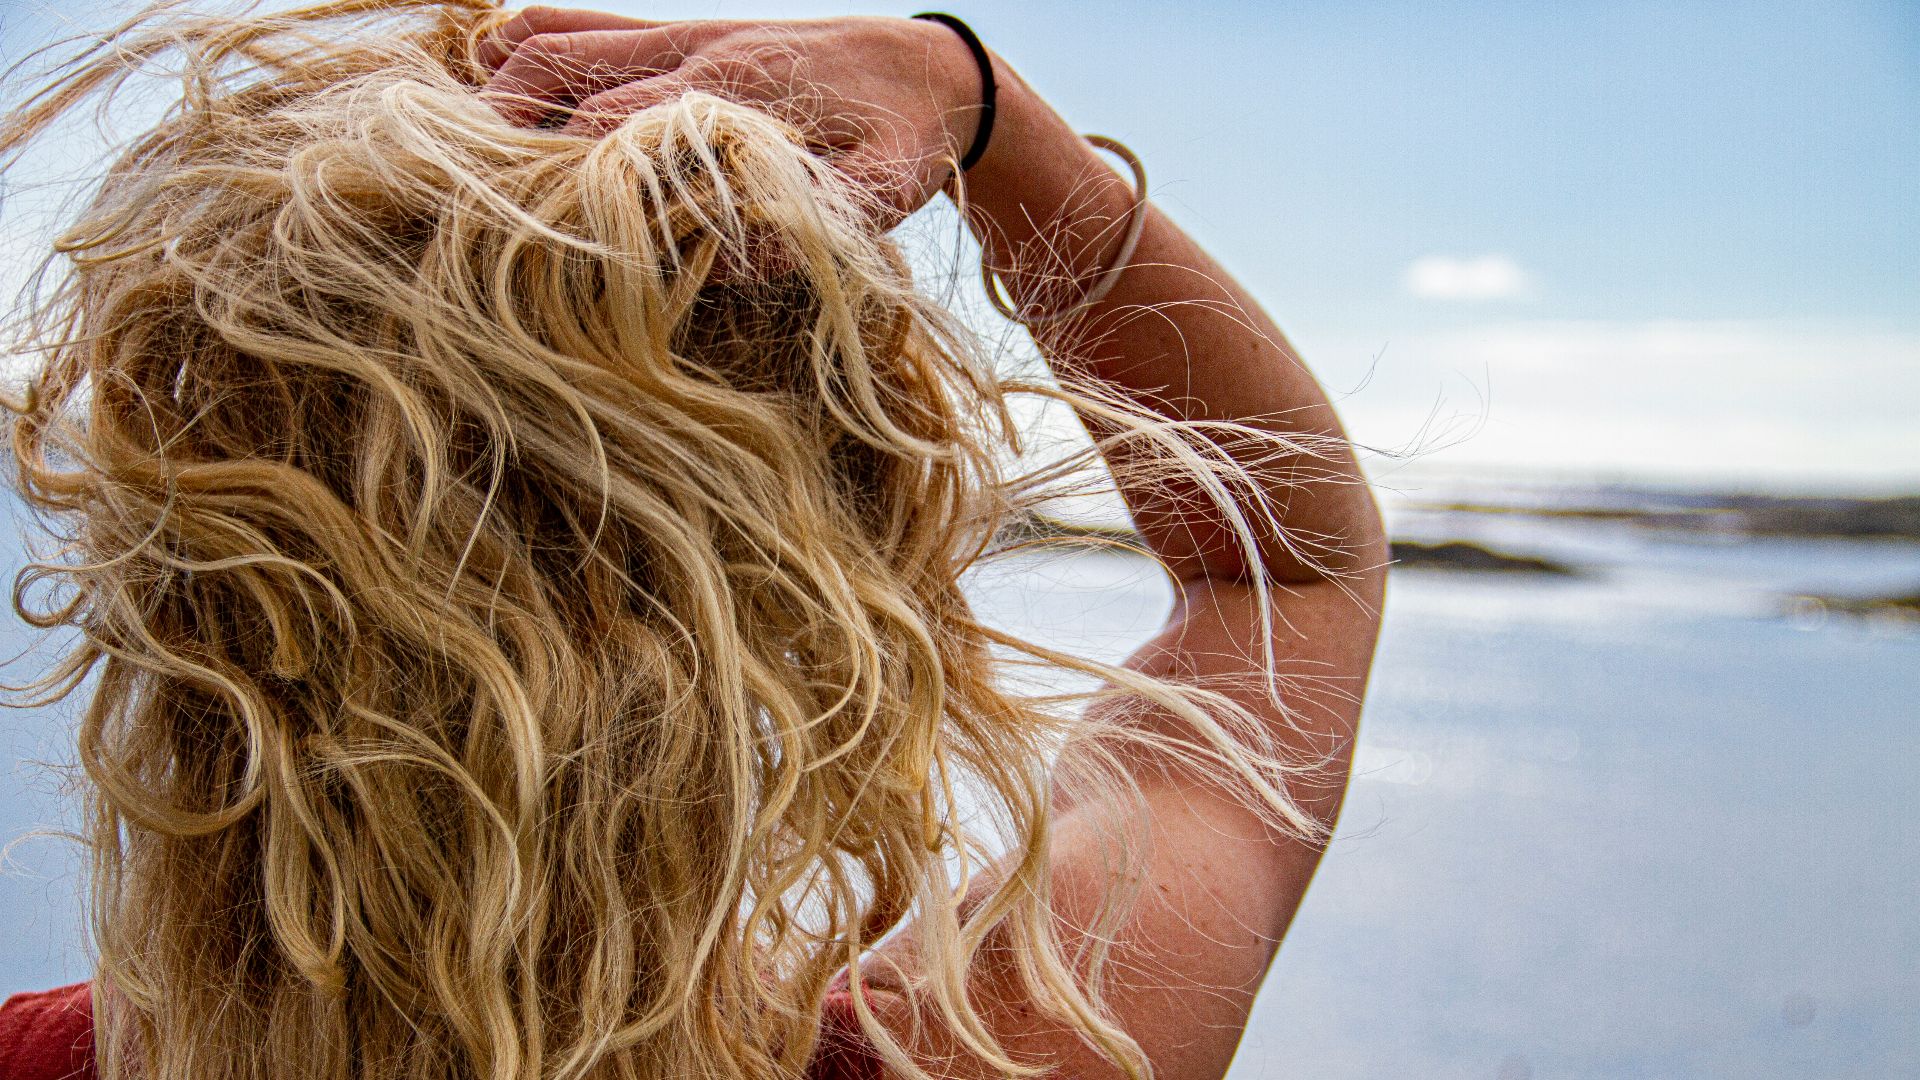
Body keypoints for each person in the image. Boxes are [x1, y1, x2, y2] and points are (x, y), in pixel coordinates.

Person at [0, 2, 1386, 1077]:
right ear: (811, 611)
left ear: (180, 589)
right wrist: (983, 113)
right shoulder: (1011, 1041)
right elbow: (1284, 571)